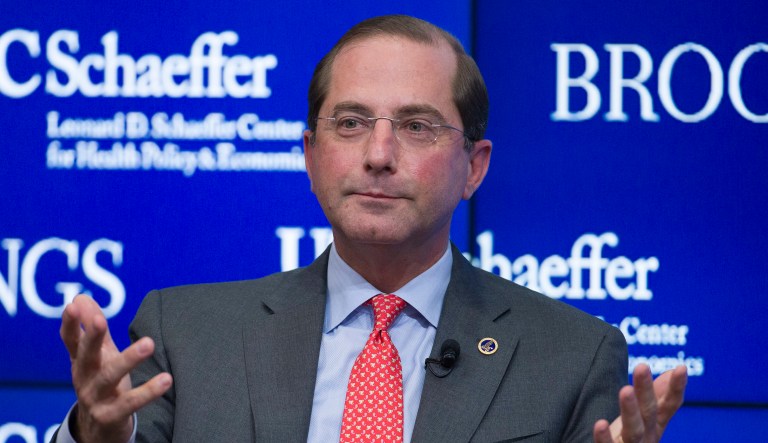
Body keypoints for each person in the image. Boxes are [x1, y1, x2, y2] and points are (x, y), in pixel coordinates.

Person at [55, 14, 687, 443]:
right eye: (351, 122)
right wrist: (97, 436)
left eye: (416, 127)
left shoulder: (572, 359)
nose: (379, 155)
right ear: (309, 154)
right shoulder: (185, 335)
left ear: (474, 166)